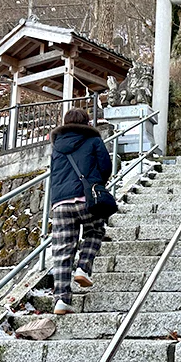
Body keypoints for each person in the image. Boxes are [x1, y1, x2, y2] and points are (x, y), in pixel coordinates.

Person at [49, 108, 112, 314]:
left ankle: (61, 300)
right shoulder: (93, 140)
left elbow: (54, 174)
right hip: (86, 199)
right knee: (95, 230)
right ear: (86, 122)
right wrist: (96, 184)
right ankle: (83, 267)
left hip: (60, 204)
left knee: (62, 251)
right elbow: (106, 167)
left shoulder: (57, 146)